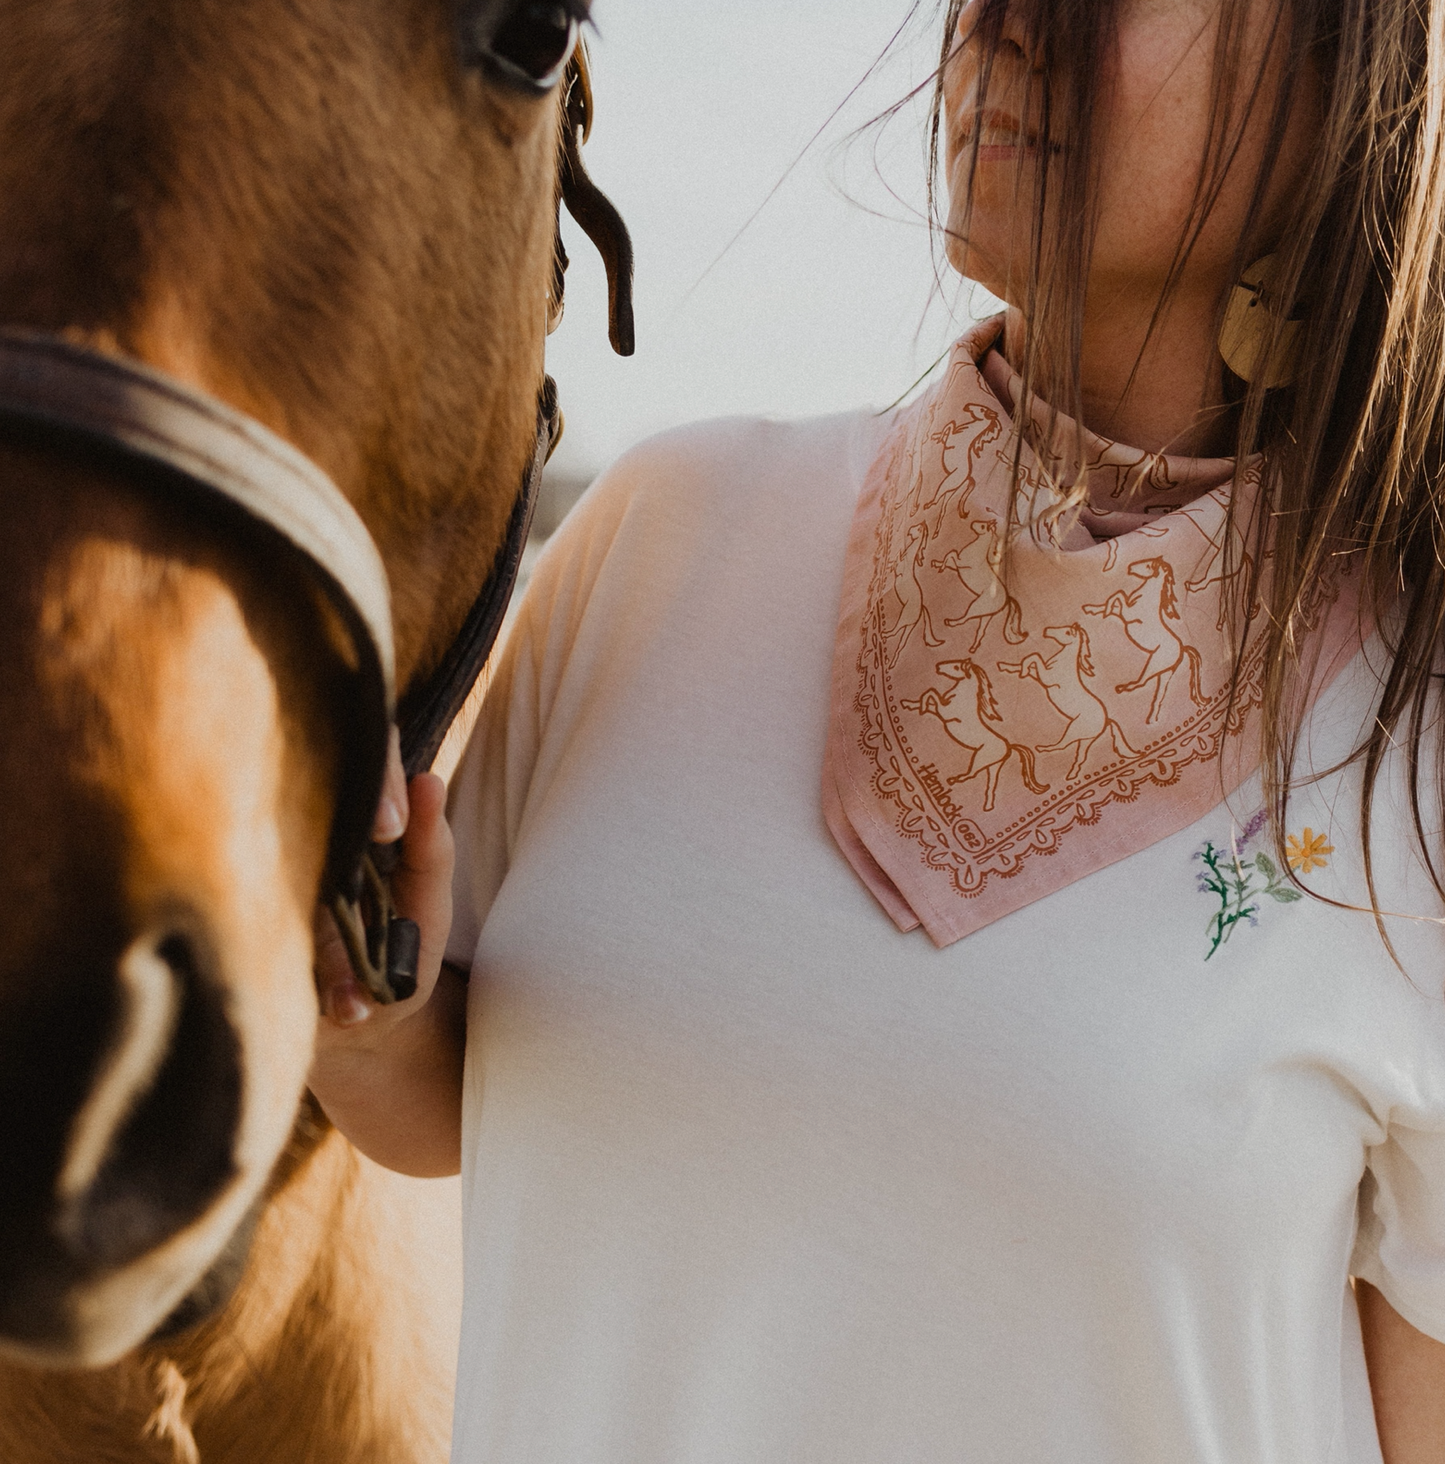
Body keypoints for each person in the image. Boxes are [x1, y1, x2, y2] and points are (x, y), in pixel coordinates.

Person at [310, 0, 1445, 1457]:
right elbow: (449, 1105)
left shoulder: (1409, 762)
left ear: (1349, 81)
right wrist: (363, 1019)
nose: (1010, 22)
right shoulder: (663, 541)